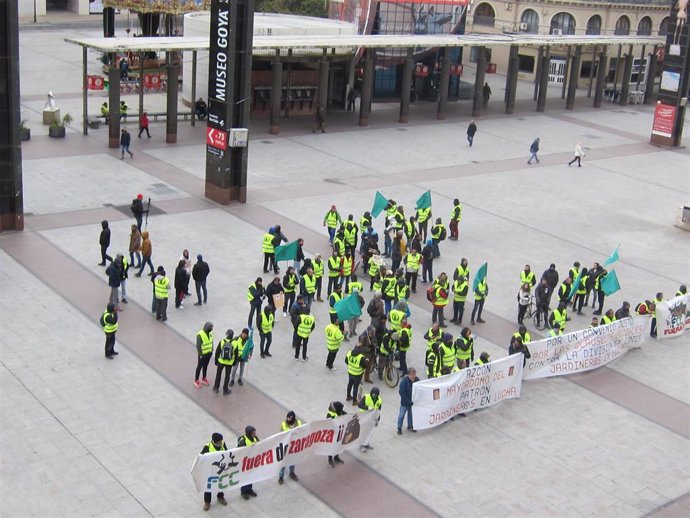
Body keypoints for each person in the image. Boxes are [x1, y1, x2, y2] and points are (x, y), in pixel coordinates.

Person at [200, 433, 229, 510]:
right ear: (214, 441)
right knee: (208, 486)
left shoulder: (223, 443)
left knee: (220, 484)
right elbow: (201, 458)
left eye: (221, 441)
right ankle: (207, 502)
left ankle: (220, 497)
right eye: (219, 442)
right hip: (210, 470)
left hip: (220, 469)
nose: (220, 443)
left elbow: (227, 452)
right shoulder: (207, 447)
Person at [278, 411, 302, 483]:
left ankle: (292, 473)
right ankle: (281, 477)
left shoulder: (298, 423)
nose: (288, 419)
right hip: (285, 446)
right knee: (283, 462)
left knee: (293, 460)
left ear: (293, 418)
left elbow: (300, 431)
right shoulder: (283, 424)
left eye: (290, 418)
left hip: (294, 446)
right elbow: (283, 433)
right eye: (287, 417)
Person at [237, 426, 260, 499]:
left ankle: (249, 489)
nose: (255, 434)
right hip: (244, 462)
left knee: (250, 476)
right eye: (253, 433)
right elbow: (240, 451)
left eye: (255, 432)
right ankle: (244, 491)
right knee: (244, 477)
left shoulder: (255, 438)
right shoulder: (243, 440)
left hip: (252, 461)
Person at [358, 387, 382, 451]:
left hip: (372, 418)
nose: (374, 395)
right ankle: (362, 445)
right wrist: (368, 408)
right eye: (373, 394)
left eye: (375, 394)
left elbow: (379, 410)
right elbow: (359, 405)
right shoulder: (366, 397)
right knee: (363, 431)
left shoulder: (379, 400)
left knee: (369, 431)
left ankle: (366, 443)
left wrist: (378, 419)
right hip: (364, 416)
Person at [397, 367, 419, 434]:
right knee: (401, 415)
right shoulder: (404, 382)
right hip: (405, 403)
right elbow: (402, 393)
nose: (413, 376)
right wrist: (408, 402)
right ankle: (399, 428)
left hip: (412, 403)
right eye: (412, 375)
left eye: (414, 374)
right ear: (408, 375)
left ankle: (410, 426)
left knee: (411, 415)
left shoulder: (417, 380)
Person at [212, 329, 235, 395]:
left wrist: (216, 361)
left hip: (221, 362)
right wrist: (234, 362)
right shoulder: (234, 343)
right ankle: (225, 390)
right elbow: (235, 354)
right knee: (227, 376)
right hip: (229, 363)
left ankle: (216, 388)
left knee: (218, 374)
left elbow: (217, 351)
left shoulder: (222, 341)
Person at [194, 322, 214, 388]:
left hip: (209, 353)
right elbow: (198, 346)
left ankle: (203, 378)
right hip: (202, 354)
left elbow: (211, 341)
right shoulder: (200, 335)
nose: (212, 329)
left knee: (205, 366)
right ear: (207, 328)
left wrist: (212, 349)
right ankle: (196, 380)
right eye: (211, 328)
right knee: (199, 366)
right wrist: (200, 354)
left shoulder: (210, 333)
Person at [326, 402, 347, 467]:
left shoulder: (340, 411)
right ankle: (330, 459)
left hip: (340, 432)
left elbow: (347, 415)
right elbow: (329, 423)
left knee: (339, 445)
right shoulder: (330, 414)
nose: (342, 409)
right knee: (332, 447)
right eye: (341, 408)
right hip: (333, 433)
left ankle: (336, 457)